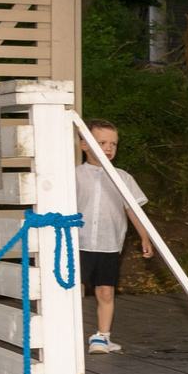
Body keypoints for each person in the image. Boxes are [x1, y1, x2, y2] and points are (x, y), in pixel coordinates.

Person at [75, 121, 150, 353]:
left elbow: (133, 210)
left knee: (106, 291)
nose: (108, 148)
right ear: (85, 145)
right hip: (79, 242)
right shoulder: (73, 175)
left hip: (109, 245)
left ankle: (102, 336)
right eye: (102, 143)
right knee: (73, 290)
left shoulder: (123, 178)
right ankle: (70, 334)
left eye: (113, 144)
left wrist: (145, 237)